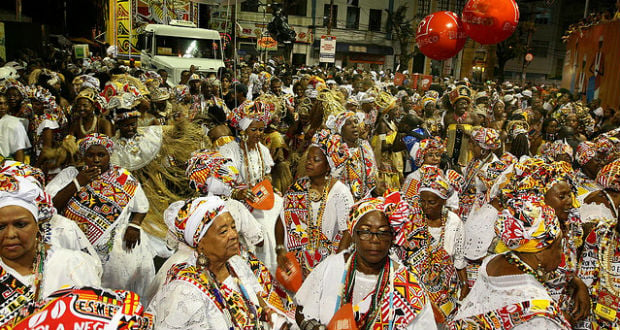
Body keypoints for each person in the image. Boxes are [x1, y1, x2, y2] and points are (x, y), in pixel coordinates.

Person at [148, 196, 295, 329]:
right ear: (200, 243)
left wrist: (274, 319)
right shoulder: (184, 291)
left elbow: (256, 304)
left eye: (233, 227)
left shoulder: (236, 265)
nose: (233, 235)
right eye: (223, 231)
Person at [295, 192, 437, 329]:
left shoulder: (408, 287)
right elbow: (302, 310)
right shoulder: (332, 268)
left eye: (382, 232)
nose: (374, 240)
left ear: (392, 238)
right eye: (365, 231)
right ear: (353, 234)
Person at [45, 133, 154, 296]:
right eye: (90, 155)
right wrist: (78, 183)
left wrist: (134, 224)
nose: (96, 160)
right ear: (83, 156)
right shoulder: (70, 174)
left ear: (109, 156)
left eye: (101, 155)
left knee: (119, 290)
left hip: (117, 250)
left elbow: (142, 205)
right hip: (78, 244)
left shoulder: (121, 176)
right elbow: (50, 206)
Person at [451, 195, 571, 329]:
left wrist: (573, 281)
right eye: (559, 245)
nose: (562, 253)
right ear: (540, 254)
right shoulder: (540, 315)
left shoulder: (494, 262)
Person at [0, 173, 102, 327]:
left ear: (38, 225)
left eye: (20, 224)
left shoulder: (72, 266)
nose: (10, 234)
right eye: (0, 227)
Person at [275, 129, 354, 278]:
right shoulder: (297, 187)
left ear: (328, 166)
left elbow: (347, 232)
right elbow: (281, 219)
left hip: (326, 266)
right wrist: (280, 249)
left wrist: (336, 264)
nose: (309, 162)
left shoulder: (340, 193)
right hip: (296, 265)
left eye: (316, 160)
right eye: (309, 158)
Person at [326, 111, 378, 201]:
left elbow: (372, 174)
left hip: (364, 199)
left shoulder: (364, 146)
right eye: (348, 123)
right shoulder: (335, 150)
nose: (354, 125)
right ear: (340, 129)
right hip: (340, 201)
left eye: (356, 122)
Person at [0, 93, 30, 162]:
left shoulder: (15, 125)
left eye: (6, 104)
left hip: (8, 167)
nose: (3, 107)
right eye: (0, 104)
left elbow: (19, 151)